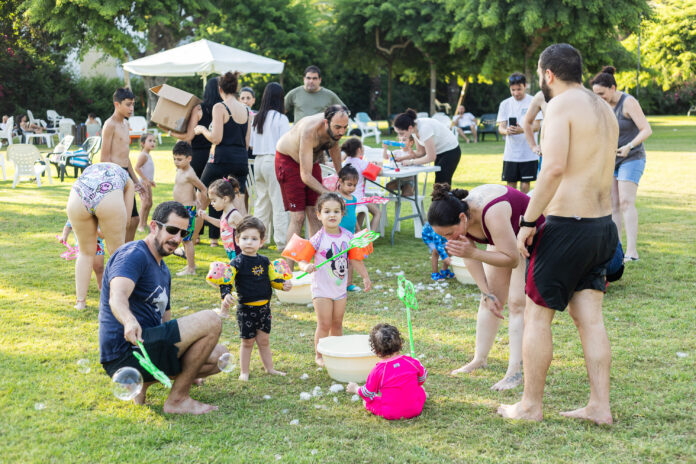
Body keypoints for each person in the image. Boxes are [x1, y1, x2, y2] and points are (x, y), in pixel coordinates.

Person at [498, 44, 619, 424]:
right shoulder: (604, 109)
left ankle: (530, 405)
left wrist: (529, 222)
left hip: (567, 227)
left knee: (537, 317)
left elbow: (551, 170)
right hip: (602, 228)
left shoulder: (561, 106)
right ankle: (600, 406)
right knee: (591, 320)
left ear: (547, 74)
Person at [99, 201, 228, 414]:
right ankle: (177, 400)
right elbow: (117, 297)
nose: (177, 239)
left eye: (183, 234)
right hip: (126, 351)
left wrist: (191, 363)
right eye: (171, 230)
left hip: (148, 348)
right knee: (211, 319)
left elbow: (166, 322)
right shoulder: (134, 255)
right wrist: (129, 320)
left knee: (218, 356)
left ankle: (142, 383)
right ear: (153, 227)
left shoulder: (163, 270)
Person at [428, 183, 544, 390]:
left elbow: (511, 259)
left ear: (463, 219)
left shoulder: (492, 213)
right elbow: (469, 254)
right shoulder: (459, 216)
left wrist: (473, 253)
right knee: (490, 301)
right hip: (505, 240)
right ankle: (479, 359)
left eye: (448, 233)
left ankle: (514, 372)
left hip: (532, 238)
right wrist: (486, 291)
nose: (447, 238)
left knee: (517, 303)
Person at [297, 192, 371, 366]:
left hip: (339, 289)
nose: (332, 215)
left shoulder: (348, 236)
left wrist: (365, 277)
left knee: (337, 323)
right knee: (324, 324)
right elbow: (302, 259)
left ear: (342, 214)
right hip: (321, 289)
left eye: (336, 211)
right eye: (327, 211)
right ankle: (320, 355)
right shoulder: (317, 238)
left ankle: (336, 353)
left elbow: (354, 258)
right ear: (319, 215)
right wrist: (305, 267)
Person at [218, 217, 292, 380]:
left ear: (261, 241)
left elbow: (274, 280)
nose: (249, 242)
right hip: (246, 310)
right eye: (245, 238)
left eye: (254, 239)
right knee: (248, 341)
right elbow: (226, 281)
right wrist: (226, 294)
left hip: (264, 309)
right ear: (237, 240)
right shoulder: (236, 262)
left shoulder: (265, 261)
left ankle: (270, 368)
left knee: (264, 340)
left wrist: (283, 285)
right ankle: (244, 371)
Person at [591, 66, 652, 262]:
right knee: (613, 204)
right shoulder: (602, 105)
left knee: (626, 202)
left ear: (613, 87)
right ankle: (617, 251)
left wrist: (629, 146)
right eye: (596, 95)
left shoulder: (628, 103)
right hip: (611, 159)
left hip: (632, 157)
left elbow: (646, 129)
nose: (599, 98)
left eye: (602, 93)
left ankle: (632, 252)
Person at [275, 105, 348, 258]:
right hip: (288, 161)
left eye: (345, 127)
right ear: (326, 122)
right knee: (298, 216)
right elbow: (306, 176)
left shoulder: (335, 130)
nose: (341, 131)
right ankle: (289, 270)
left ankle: (317, 264)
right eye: (338, 127)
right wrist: (331, 195)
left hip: (310, 161)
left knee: (316, 213)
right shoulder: (309, 131)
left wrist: (341, 175)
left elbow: (334, 146)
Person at [66, 162, 135, 309]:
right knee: (117, 254)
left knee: (84, 253)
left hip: (78, 194)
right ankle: (119, 298)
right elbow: (127, 221)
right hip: (108, 197)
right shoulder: (128, 180)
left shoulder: (92, 170)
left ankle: (80, 302)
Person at [195, 72, 250, 247]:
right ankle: (246, 242)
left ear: (220, 89)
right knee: (238, 201)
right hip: (241, 160)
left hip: (221, 158)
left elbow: (216, 138)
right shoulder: (247, 110)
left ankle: (191, 239)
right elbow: (247, 143)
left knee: (201, 194)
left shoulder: (219, 107)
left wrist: (202, 129)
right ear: (236, 89)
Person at [168, 77, 222, 244]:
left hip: (195, 155)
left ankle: (196, 235)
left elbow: (189, 133)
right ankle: (214, 238)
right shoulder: (221, 110)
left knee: (196, 197)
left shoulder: (199, 109)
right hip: (213, 154)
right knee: (214, 195)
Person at [346, 323, 427, 420]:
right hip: (416, 409)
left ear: (376, 351)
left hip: (391, 413)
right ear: (400, 344)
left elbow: (367, 393)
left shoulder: (378, 370)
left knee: (367, 402)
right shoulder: (411, 362)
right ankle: (422, 396)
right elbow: (422, 378)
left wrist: (355, 388)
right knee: (420, 389)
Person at [101, 88, 144, 243]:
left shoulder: (126, 124)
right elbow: (104, 157)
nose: (131, 108)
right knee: (124, 220)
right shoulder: (109, 125)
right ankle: (120, 254)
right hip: (114, 174)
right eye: (128, 105)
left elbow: (126, 157)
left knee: (134, 219)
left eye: (133, 104)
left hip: (126, 174)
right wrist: (112, 181)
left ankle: (127, 251)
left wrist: (136, 181)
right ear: (117, 104)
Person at [250, 82, 290, 248]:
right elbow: (286, 144)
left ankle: (259, 239)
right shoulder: (281, 118)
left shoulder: (258, 118)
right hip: (275, 160)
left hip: (258, 161)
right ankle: (281, 242)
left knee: (262, 202)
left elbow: (251, 144)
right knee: (279, 202)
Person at [496, 73, 543, 194]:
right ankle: (513, 209)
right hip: (511, 154)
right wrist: (507, 131)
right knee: (510, 185)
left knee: (525, 184)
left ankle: (524, 210)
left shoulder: (534, 101)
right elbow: (501, 128)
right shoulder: (505, 104)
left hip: (529, 153)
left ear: (525, 86)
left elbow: (537, 126)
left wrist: (521, 130)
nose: (516, 93)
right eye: (513, 90)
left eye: (519, 89)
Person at [392, 108, 462, 186]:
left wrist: (411, 162)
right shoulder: (414, 129)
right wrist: (402, 158)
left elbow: (431, 157)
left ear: (409, 128)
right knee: (440, 185)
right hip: (439, 152)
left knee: (441, 184)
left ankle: (448, 198)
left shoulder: (424, 129)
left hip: (451, 151)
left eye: (401, 133)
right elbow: (421, 152)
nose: (400, 136)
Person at [171, 141, 207, 276]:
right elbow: (191, 188)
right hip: (180, 208)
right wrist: (195, 198)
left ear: (189, 158)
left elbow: (203, 189)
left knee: (187, 240)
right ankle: (189, 266)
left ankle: (191, 268)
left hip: (187, 210)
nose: (176, 161)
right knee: (184, 239)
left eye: (179, 159)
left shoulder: (190, 174)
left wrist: (200, 205)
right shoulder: (180, 169)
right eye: (174, 158)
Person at [341, 137, 382, 231]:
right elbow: (380, 172)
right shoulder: (362, 163)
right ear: (359, 149)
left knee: (363, 212)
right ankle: (370, 239)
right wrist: (379, 165)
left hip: (346, 198)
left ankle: (356, 234)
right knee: (377, 213)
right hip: (358, 199)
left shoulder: (345, 163)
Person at [199, 177, 244, 261]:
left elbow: (246, 230)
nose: (211, 204)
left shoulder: (234, 215)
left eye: (214, 200)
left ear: (225, 199)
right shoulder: (225, 213)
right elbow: (222, 224)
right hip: (232, 253)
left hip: (240, 253)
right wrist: (206, 217)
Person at [59, 219, 105, 292]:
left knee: (99, 267)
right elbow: (68, 225)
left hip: (97, 245)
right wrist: (64, 236)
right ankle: (82, 288)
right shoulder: (77, 212)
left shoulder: (99, 216)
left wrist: (95, 229)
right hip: (82, 246)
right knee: (84, 268)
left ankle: (101, 287)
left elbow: (102, 235)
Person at [135, 134, 157, 232]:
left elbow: (146, 170)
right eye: (150, 141)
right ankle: (140, 225)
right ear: (143, 143)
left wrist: (150, 181)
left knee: (149, 203)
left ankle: (144, 223)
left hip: (147, 182)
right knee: (145, 203)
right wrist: (145, 179)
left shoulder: (148, 154)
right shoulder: (143, 155)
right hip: (143, 183)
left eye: (154, 141)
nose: (153, 143)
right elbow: (137, 167)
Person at [522, 91, 547, 158]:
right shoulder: (541, 96)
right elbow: (527, 122)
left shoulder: (576, 92)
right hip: (547, 154)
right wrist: (533, 147)